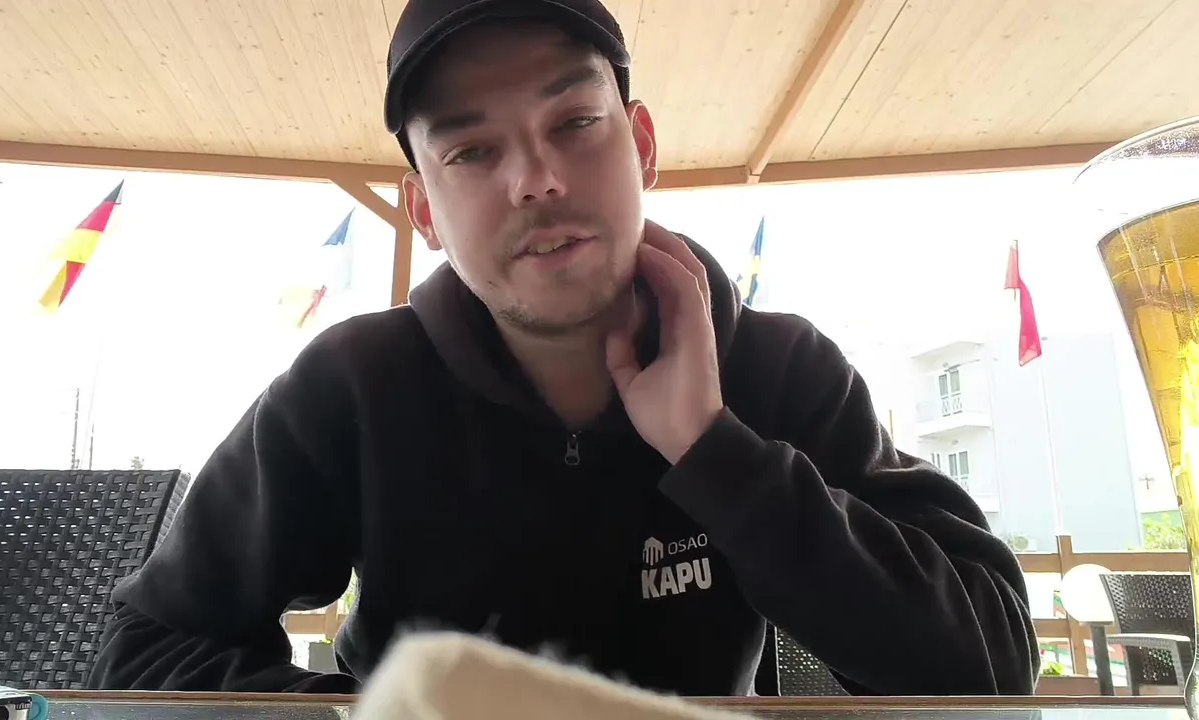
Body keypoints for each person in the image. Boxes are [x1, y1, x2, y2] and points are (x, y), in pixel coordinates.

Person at [87, 0, 1039, 697]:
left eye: (575, 123)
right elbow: (143, 652)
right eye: (471, 152)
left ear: (642, 144)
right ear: (425, 210)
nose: (536, 180)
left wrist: (714, 451)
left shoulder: (779, 369)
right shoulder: (354, 386)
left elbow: (992, 665)